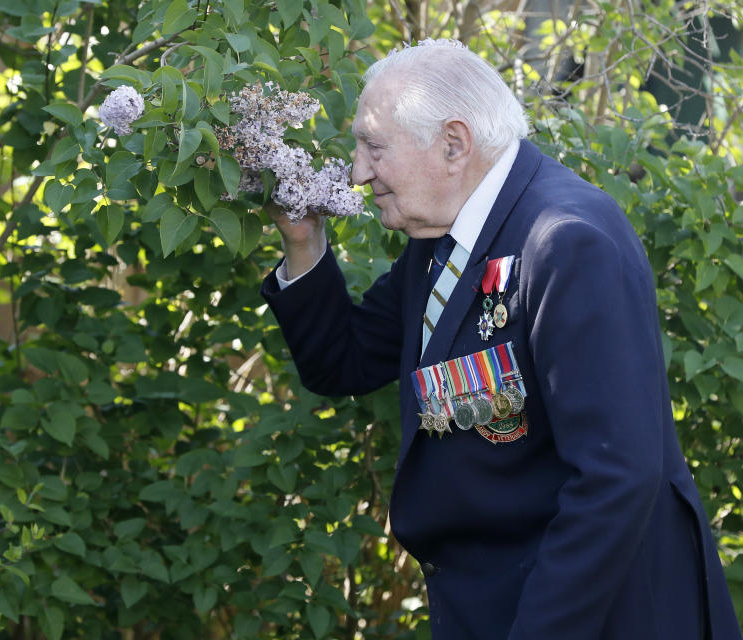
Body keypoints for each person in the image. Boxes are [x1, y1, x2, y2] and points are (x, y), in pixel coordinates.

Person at [260, 40, 741, 639]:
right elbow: (344, 362)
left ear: (454, 144)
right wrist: (303, 243)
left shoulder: (567, 242)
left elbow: (616, 479)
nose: (358, 172)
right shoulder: (447, 235)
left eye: (374, 147)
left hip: (594, 615)